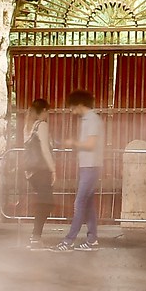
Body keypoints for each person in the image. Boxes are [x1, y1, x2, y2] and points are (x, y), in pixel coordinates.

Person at [58, 90, 105, 250]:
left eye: (72, 107)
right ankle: (92, 240)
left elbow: (91, 144)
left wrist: (73, 143)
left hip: (90, 166)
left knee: (79, 203)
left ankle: (68, 240)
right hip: (88, 166)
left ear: (78, 104)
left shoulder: (91, 119)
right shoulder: (89, 119)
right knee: (88, 205)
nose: (72, 111)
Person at [18, 98, 57, 249]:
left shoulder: (28, 126)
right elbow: (45, 150)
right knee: (46, 203)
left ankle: (36, 236)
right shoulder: (42, 125)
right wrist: (53, 169)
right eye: (48, 111)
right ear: (44, 111)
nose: (48, 114)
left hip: (31, 171)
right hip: (42, 170)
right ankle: (35, 237)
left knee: (44, 202)